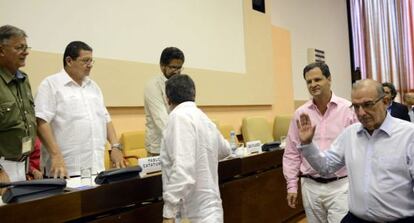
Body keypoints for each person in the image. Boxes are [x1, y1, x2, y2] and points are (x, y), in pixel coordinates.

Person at [297, 79, 414, 222]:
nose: (361, 113)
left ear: (385, 101)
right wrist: (308, 144)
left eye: (368, 105)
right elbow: (325, 167)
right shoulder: (350, 134)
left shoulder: (409, 135)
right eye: (356, 106)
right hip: (355, 219)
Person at [35, 41, 127, 178]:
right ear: (69, 61)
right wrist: (56, 155)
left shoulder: (93, 87)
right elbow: (41, 121)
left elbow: (105, 118)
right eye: (85, 60)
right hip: (65, 170)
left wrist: (115, 146)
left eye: (91, 61)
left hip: (96, 168)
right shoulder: (51, 84)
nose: (90, 65)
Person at [283, 62, 357, 223]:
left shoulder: (348, 109)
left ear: (329, 79)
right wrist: (292, 185)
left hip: (341, 185)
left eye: (317, 79)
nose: (313, 85)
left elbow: (358, 148)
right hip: (310, 186)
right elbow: (291, 153)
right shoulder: (300, 113)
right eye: (309, 82)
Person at [160, 74, 231, 223]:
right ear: (194, 95)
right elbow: (226, 150)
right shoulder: (204, 118)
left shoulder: (177, 117)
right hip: (213, 209)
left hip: (191, 213)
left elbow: (183, 170)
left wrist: (168, 212)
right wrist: (204, 156)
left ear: (168, 98)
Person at [0, 25, 36, 185]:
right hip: (3, 169)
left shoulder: (23, 80)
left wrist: (31, 168)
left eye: (26, 47)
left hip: (21, 166)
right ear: (1, 50)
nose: (26, 52)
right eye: (19, 47)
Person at [144, 47, 185, 156]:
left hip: (180, 144)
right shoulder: (153, 86)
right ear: (162, 66)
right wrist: (185, 140)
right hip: (159, 148)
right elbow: (162, 122)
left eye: (179, 68)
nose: (176, 72)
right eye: (173, 67)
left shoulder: (181, 85)